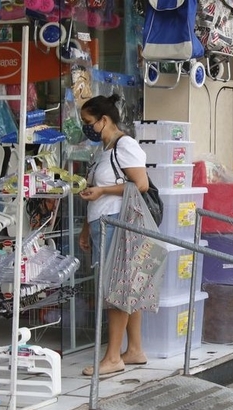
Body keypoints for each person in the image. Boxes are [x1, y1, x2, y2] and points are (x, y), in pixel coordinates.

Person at [78, 94, 151, 376]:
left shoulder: (125, 145)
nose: (85, 127)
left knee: (115, 290)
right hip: (102, 223)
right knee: (124, 286)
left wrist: (103, 191)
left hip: (117, 224)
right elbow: (95, 193)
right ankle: (134, 350)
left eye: (88, 122)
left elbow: (140, 184)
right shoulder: (105, 150)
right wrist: (86, 227)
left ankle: (112, 357)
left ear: (103, 120)